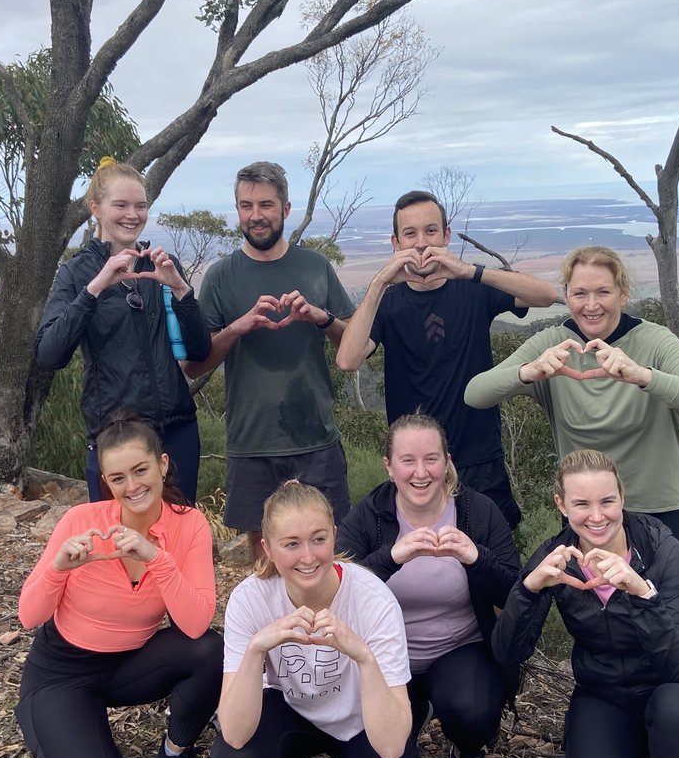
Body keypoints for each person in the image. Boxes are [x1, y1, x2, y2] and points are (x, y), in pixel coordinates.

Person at [491, 450, 679, 758]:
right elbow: (508, 653)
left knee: (674, 711)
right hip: (604, 693)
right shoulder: (556, 557)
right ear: (562, 505)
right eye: (582, 504)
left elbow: (678, 666)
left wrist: (641, 593)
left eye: (607, 501)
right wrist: (529, 589)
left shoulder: (662, 552)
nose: (597, 516)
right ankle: (642, 757)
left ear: (622, 498)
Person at [16, 413, 223, 758]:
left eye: (140, 470)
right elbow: (28, 616)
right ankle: (53, 724)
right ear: (106, 483)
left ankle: (175, 754)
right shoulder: (81, 521)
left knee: (210, 649)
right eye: (118, 478)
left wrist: (156, 557)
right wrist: (58, 570)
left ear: (162, 464)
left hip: (129, 666)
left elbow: (196, 624)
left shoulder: (189, 525)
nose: (132, 486)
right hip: (62, 675)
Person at [464, 245, 679, 566]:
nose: (591, 305)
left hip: (665, 513)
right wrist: (529, 371)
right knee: (593, 600)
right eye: (580, 293)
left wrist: (643, 376)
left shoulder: (655, 341)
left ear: (623, 293)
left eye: (603, 292)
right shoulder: (553, 344)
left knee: (663, 600)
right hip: (590, 519)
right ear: (566, 295)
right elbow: (475, 394)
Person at [211, 481, 424, 758]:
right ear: (268, 548)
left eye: (319, 539)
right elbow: (233, 733)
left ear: (335, 535)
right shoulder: (250, 599)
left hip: (362, 719)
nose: (308, 557)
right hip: (293, 711)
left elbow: (390, 748)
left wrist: (363, 656)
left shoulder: (373, 599)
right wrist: (256, 650)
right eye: (291, 544)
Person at [336, 190, 558, 530]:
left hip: (480, 455)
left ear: (446, 235)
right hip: (418, 465)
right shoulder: (388, 303)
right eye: (410, 234)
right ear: (395, 243)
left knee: (492, 553)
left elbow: (546, 295)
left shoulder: (474, 288)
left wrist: (469, 271)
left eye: (431, 231)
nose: (421, 243)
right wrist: (380, 282)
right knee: (422, 552)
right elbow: (348, 360)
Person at [336, 413, 522, 758]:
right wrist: (391, 557)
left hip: (457, 649)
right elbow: (336, 588)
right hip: (385, 658)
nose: (420, 473)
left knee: (473, 710)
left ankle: (468, 752)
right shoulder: (369, 515)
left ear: (447, 461)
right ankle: (409, 723)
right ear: (389, 466)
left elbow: (516, 593)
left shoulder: (477, 512)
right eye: (408, 461)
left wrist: (476, 558)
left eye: (431, 459)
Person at [185, 162, 355, 562]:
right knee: (264, 562)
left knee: (328, 555)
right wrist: (237, 327)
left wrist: (321, 317)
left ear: (285, 208)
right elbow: (194, 366)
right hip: (252, 441)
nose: (255, 215)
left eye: (265, 205)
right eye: (246, 206)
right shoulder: (221, 276)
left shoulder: (315, 267)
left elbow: (356, 344)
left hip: (316, 439)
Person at [36, 156, 211, 504]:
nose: (133, 214)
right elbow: (48, 354)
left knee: (177, 531)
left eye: (140, 206)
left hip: (176, 432)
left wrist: (180, 290)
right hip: (115, 439)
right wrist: (95, 289)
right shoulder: (76, 273)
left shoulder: (161, 264)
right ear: (95, 208)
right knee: (118, 535)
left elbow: (199, 351)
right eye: (121, 205)